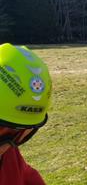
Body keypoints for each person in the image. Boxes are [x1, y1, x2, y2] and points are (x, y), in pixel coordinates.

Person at [0, 43, 52, 185]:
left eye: (22, 133)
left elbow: (26, 176)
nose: (7, 146)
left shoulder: (8, 151)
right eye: (2, 130)